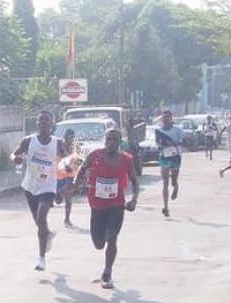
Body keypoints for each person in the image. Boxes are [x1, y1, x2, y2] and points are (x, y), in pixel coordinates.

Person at [75, 126, 138, 289]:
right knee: (98, 243)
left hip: (116, 204)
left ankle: (107, 271)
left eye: (115, 140)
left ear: (120, 142)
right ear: (105, 140)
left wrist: (134, 200)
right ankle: (103, 246)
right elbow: (82, 171)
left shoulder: (126, 159)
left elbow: (135, 181)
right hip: (97, 204)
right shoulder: (95, 155)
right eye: (108, 139)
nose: (111, 142)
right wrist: (75, 184)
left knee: (112, 236)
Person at [11, 110, 65, 271]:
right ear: (37, 123)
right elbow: (14, 154)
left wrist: (63, 187)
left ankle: (41, 258)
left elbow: (67, 162)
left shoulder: (57, 143)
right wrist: (16, 159)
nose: (43, 123)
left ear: (51, 124)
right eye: (40, 120)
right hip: (30, 186)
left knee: (41, 217)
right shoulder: (28, 141)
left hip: (48, 186)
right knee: (39, 222)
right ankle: (47, 234)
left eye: (46, 120)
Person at [153, 109, 184, 217]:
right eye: (164, 117)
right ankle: (166, 207)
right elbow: (157, 143)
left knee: (173, 181)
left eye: (167, 117)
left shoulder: (178, 130)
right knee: (165, 182)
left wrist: (174, 143)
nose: (165, 119)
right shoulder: (158, 131)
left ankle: (176, 187)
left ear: (171, 119)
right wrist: (161, 146)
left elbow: (183, 141)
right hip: (164, 157)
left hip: (175, 157)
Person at [57, 128, 81, 226]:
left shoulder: (76, 146)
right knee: (59, 196)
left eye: (72, 137)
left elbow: (79, 159)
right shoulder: (60, 146)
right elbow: (59, 156)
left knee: (68, 198)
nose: (70, 139)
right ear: (65, 137)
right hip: (60, 173)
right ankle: (58, 194)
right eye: (68, 137)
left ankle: (67, 219)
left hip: (71, 174)